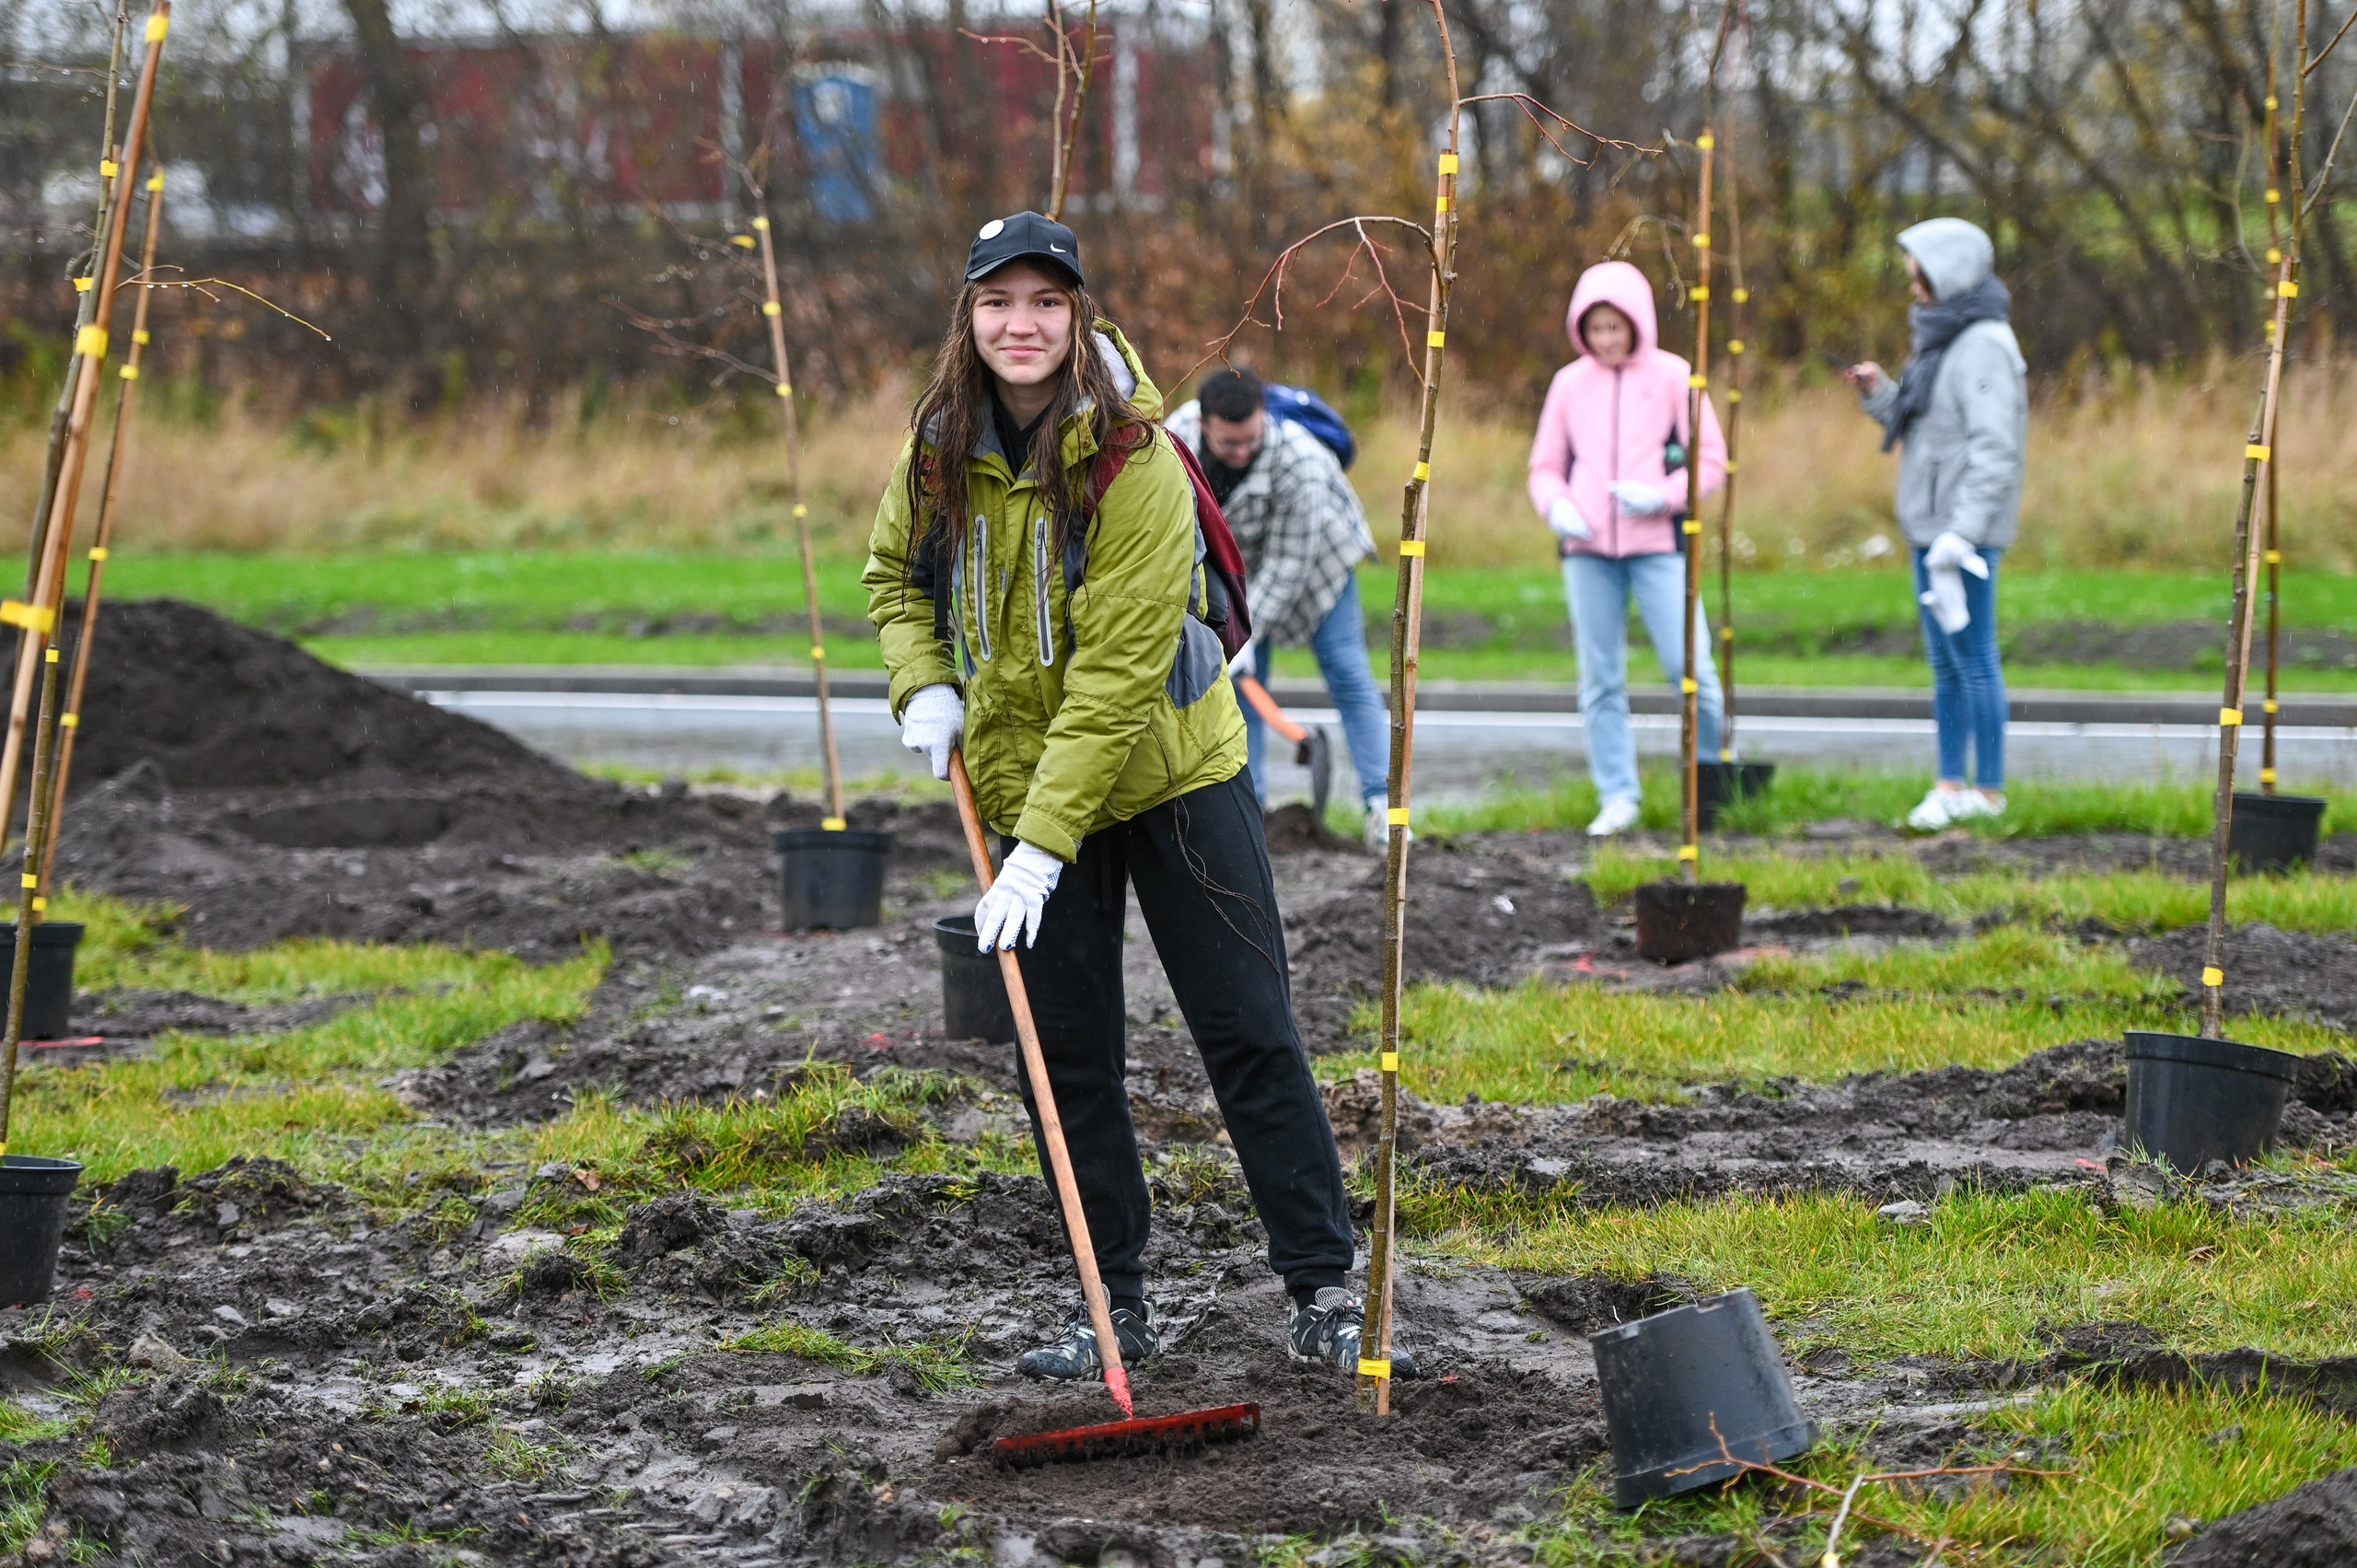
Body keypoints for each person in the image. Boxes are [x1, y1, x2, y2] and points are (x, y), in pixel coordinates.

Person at [861, 211, 1413, 1385]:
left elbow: (1114, 680)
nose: (1022, 323)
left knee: (1246, 1029)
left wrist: (1039, 852)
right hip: (1019, 779)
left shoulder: (1136, 457)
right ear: (969, 315)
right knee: (1064, 1061)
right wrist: (921, 685)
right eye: (999, 301)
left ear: (1078, 314)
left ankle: (1320, 1290)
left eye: (1045, 301)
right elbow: (894, 578)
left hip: (1171, 776)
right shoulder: (937, 444)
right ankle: (1109, 1304)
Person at [1526, 261, 1728, 837]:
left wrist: (1663, 496)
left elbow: (1709, 461)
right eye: (1597, 329)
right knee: (1601, 679)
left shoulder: (1673, 377)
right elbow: (1544, 467)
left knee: (1690, 669)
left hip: (1658, 546)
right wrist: (1556, 506)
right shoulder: (1569, 384)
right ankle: (1619, 795)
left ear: (1638, 324)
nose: (1607, 339)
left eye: (1616, 327)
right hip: (1588, 551)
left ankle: (1707, 782)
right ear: (1581, 330)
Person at [1841, 217, 2026, 831]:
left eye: (1918, 271)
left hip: (1960, 540)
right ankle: (1950, 785)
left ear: (1945, 271)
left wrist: (1963, 533)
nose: (1912, 284)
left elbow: (1994, 450)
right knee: (1946, 664)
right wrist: (1878, 392)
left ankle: (1990, 791)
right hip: (1931, 529)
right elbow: (1925, 422)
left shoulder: (1985, 345)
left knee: (1975, 658)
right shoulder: (1942, 337)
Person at [1166, 367, 1390, 846]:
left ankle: (1383, 809)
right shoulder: (1173, 443)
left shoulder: (1301, 461)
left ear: (1263, 417)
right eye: (1230, 444)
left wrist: (1252, 631)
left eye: (1251, 439)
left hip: (1317, 566)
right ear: (1205, 425)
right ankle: (1254, 815)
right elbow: (1177, 535)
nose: (1242, 452)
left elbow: (1291, 562)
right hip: (1235, 573)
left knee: (1347, 671)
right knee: (1241, 688)